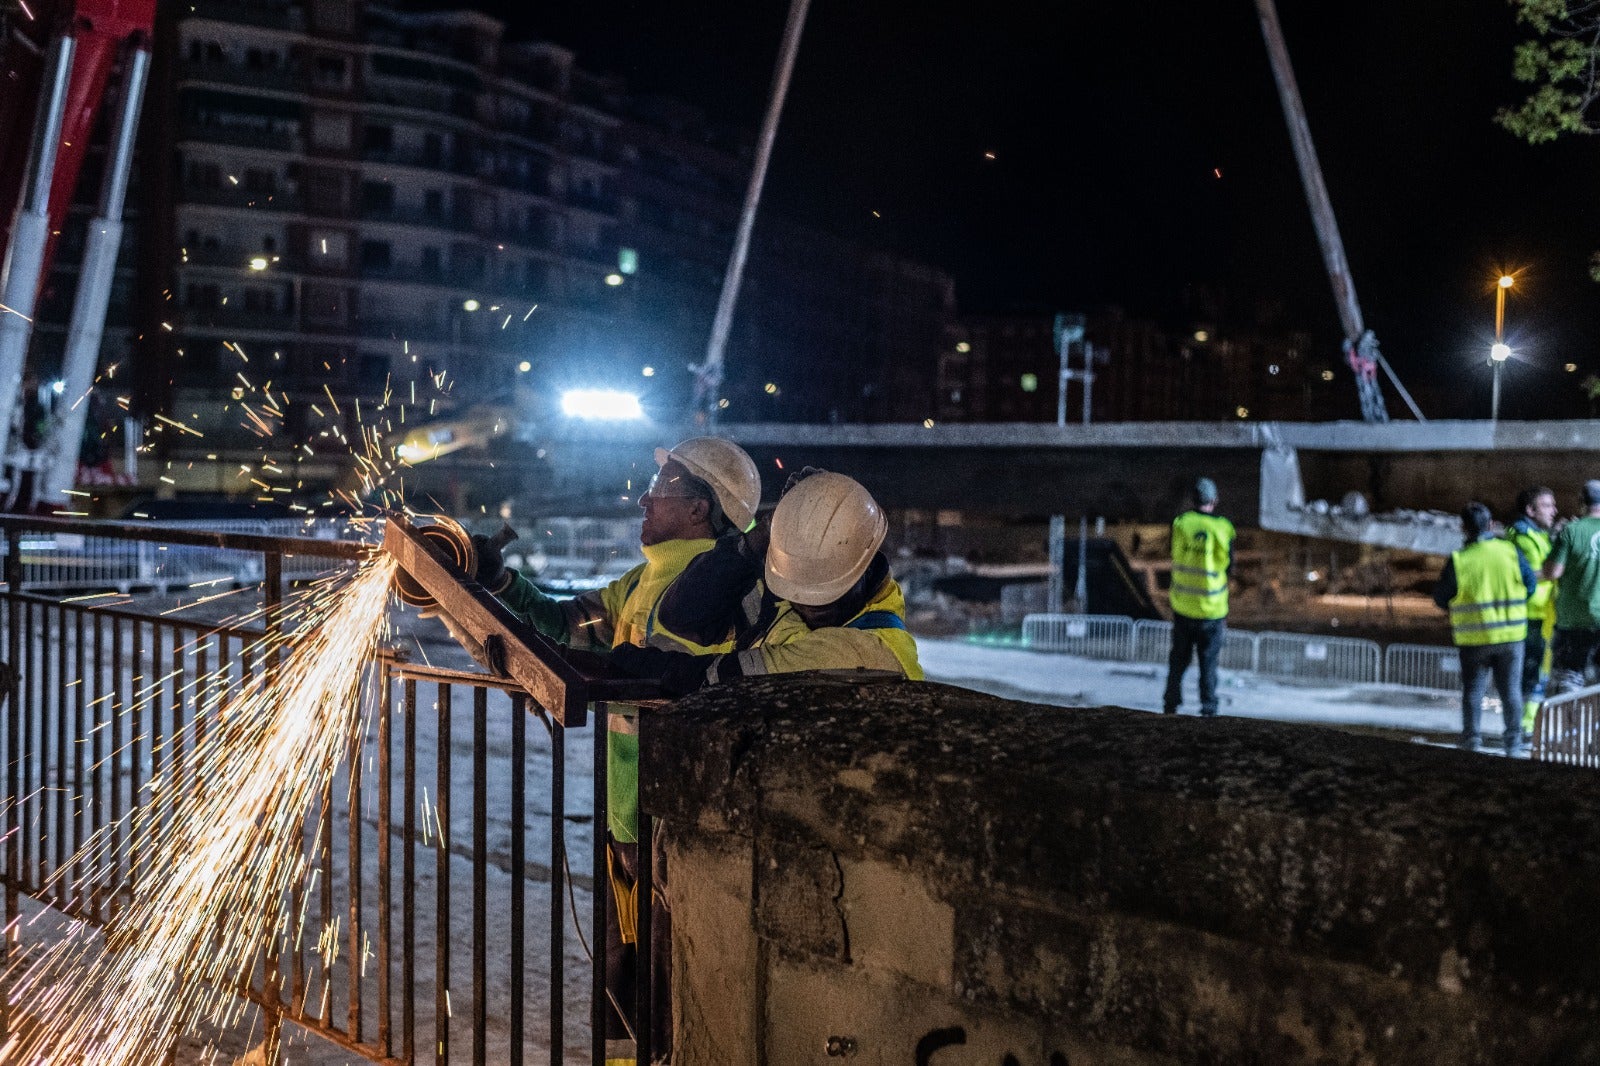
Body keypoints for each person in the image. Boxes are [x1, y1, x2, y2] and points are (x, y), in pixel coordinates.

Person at [475, 435, 761, 1066]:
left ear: (700, 509)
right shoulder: (642, 580)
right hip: (626, 810)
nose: (643, 498)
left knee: (665, 986)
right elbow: (567, 621)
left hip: (672, 813)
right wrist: (498, 580)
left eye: (663, 490)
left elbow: (667, 678)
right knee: (624, 984)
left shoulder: (716, 587)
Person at [611, 470, 923, 694]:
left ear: (865, 564)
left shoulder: (869, 651)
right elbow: (684, 615)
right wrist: (760, 537)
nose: (809, 604)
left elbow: (720, 678)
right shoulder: (789, 600)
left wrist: (645, 666)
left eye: (826, 594)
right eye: (799, 591)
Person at [1433, 502, 1536, 753]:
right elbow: (1530, 584)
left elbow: (1440, 598)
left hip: (1474, 640)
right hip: (1511, 638)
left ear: (1464, 529)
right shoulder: (1509, 551)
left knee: (1473, 692)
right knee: (1511, 692)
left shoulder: (1459, 560)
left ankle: (1472, 742)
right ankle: (1513, 744)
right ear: (1491, 525)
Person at [1163, 477, 1235, 717]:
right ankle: (1208, 708)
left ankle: (1170, 704)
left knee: (1178, 660)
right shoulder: (1223, 527)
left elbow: (1174, 554)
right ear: (1214, 500)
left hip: (1183, 607)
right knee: (1208, 664)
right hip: (1212, 610)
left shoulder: (1181, 523)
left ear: (1193, 499)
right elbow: (1229, 566)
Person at [1506, 485, 1558, 738]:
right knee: (1531, 673)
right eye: (1547, 505)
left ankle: (1529, 726)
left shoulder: (1538, 534)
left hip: (1542, 614)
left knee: (1539, 671)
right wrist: (1555, 570)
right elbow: (1525, 575)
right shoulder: (1522, 537)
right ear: (1530, 510)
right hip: (1530, 615)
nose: (1554, 511)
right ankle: (1524, 728)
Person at [1543, 479, 1600, 698]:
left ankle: (1571, 729)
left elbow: (1552, 573)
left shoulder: (1571, 531)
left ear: (1581, 503)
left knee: (1568, 683)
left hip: (1573, 622)